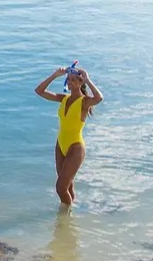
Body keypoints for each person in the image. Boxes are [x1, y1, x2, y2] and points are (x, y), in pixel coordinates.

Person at [35, 63, 103, 207]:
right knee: (67, 186)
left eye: (73, 79)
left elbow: (99, 98)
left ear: (80, 82)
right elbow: (39, 91)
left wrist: (88, 80)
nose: (70, 82)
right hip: (60, 144)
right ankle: (69, 214)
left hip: (75, 147)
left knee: (60, 187)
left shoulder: (84, 102)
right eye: (68, 79)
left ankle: (65, 214)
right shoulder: (63, 98)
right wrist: (55, 75)